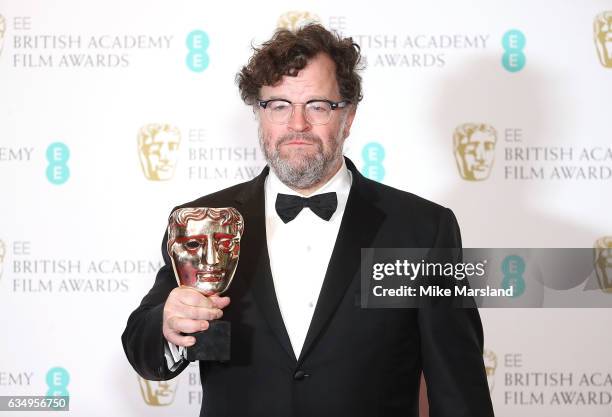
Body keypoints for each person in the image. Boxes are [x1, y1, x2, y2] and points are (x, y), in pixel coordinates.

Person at [122, 23, 494, 417]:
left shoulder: (421, 230)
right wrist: (169, 324)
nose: (297, 125)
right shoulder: (205, 222)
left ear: (347, 117)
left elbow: (459, 390)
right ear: (258, 114)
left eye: (317, 105)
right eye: (279, 105)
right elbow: (144, 350)